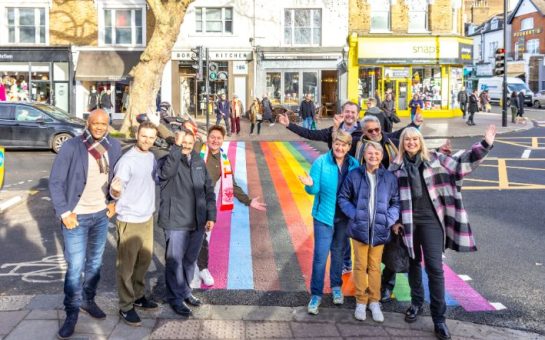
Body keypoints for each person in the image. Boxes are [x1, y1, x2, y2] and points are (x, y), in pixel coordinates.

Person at [389, 125, 496, 340]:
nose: (411, 143)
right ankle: (416, 303)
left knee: (435, 269)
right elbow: (392, 197)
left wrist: (485, 145)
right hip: (408, 223)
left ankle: (439, 319)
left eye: (414, 139)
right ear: (402, 143)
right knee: (412, 264)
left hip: (431, 221)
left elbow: (461, 165)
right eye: (407, 140)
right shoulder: (396, 166)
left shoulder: (435, 159)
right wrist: (395, 221)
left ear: (420, 142)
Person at [49, 109, 121, 339]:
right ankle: (71, 312)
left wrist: (114, 202)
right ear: (88, 124)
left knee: (95, 264)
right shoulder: (72, 146)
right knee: (75, 268)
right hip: (76, 217)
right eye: (95, 123)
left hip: (101, 215)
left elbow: (119, 178)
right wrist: (64, 212)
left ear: (108, 125)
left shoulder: (114, 146)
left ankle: (88, 300)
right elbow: (56, 181)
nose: (100, 127)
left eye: (104, 123)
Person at [193, 125, 267, 287]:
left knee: (201, 237)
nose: (215, 140)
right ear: (208, 138)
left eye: (219, 138)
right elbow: (180, 142)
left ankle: (203, 269)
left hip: (204, 202)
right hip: (186, 198)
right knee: (183, 237)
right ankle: (184, 272)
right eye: (212, 137)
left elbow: (231, 185)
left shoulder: (223, 161)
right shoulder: (198, 149)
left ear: (222, 141)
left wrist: (248, 201)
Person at [298, 131, 359, 315]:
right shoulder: (321, 162)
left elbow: (356, 191)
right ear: (332, 144)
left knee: (338, 254)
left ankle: (336, 287)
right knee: (320, 257)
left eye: (344, 145)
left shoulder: (354, 164)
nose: (339, 148)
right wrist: (309, 184)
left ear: (349, 147)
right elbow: (313, 189)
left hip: (343, 218)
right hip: (324, 217)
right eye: (337, 144)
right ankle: (316, 294)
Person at [338, 141, 399, 322]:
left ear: (381, 156)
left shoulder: (389, 177)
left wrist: (389, 219)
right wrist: (354, 215)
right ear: (364, 155)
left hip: (379, 230)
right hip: (359, 229)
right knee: (359, 265)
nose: (373, 156)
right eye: (370, 153)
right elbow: (343, 198)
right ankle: (361, 301)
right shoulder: (354, 175)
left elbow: (396, 202)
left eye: (377, 154)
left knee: (374, 267)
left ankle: (374, 301)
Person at [158, 130, 216, 316]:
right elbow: (166, 174)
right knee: (174, 262)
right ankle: (175, 299)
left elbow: (208, 189)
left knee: (190, 261)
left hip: (197, 221)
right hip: (176, 221)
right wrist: (176, 148)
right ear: (177, 142)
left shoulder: (198, 161)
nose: (187, 145)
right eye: (183, 142)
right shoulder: (169, 160)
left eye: (190, 142)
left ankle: (185, 292)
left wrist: (211, 215)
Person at [109, 121, 159, 326]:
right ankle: (125, 306)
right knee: (126, 267)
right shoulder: (127, 160)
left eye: (151, 137)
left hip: (146, 217)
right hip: (129, 219)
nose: (147, 140)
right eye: (143, 136)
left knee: (143, 262)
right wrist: (116, 191)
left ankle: (138, 296)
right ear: (137, 135)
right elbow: (115, 190)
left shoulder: (151, 157)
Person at [278, 101, 363, 156]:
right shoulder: (332, 130)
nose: (350, 114)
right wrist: (289, 125)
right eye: (347, 111)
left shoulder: (364, 132)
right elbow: (310, 134)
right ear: (342, 113)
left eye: (353, 112)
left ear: (358, 115)